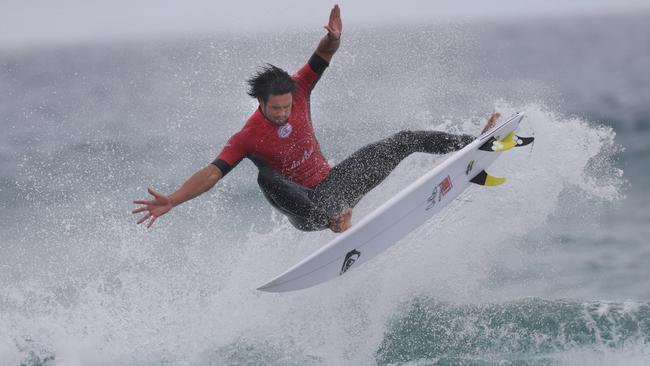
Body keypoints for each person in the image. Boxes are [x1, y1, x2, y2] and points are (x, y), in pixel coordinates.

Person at [132, 5, 499, 233]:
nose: (282, 113)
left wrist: (335, 39)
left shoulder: (300, 89)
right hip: (305, 209)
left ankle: (474, 144)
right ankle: (334, 221)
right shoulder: (247, 137)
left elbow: (321, 56)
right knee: (265, 177)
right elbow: (212, 173)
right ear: (260, 102)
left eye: (286, 106)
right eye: (275, 108)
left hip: (334, 186)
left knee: (404, 139)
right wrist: (174, 199)